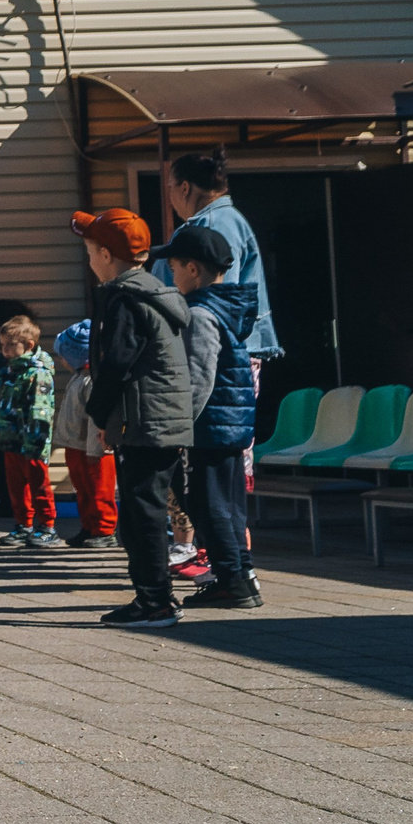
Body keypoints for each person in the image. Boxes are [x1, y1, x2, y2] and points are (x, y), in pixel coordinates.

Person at [75, 208, 194, 628]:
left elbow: (116, 363)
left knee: (141, 514)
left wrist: (102, 414)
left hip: (144, 420)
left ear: (106, 254)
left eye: (90, 251)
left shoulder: (126, 299)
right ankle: (156, 596)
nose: (88, 260)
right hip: (165, 416)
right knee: (149, 508)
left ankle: (155, 601)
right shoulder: (156, 292)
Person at [151, 224, 265, 609]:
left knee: (207, 504)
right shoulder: (223, 309)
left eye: (174, 267)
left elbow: (197, 378)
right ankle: (241, 577)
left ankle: (231, 581)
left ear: (193, 270)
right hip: (228, 427)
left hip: (206, 428)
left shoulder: (199, 314)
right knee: (229, 506)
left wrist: (177, 429)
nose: (171, 274)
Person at [154, 147, 278, 362]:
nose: (170, 197)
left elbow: (218, 298)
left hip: (218, 354)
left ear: (184, 187)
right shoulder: (220, 221)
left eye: (170, 187)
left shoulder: (213, 226)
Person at [0, 316, 58, 547]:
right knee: (15, 486)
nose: (4, 350)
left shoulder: (37, 372)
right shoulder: (6, 372)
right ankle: (23, 523)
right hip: (10, 439)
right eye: (2, 345)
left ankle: (47, 525)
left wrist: (36, 441)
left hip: (31, 441)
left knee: (39, 484)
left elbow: (40, 409)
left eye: (10, 345)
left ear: (28, 345)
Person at [51, 320, 117, 548]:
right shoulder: (79, 377)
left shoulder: (92, 381)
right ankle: (88, 526)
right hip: (75, 446)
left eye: (63, 357)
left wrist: (95, 450)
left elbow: (95, 420)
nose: (61, 362)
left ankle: (105, 530)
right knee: (83, 490)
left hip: (93, 449)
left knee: (100, 489)